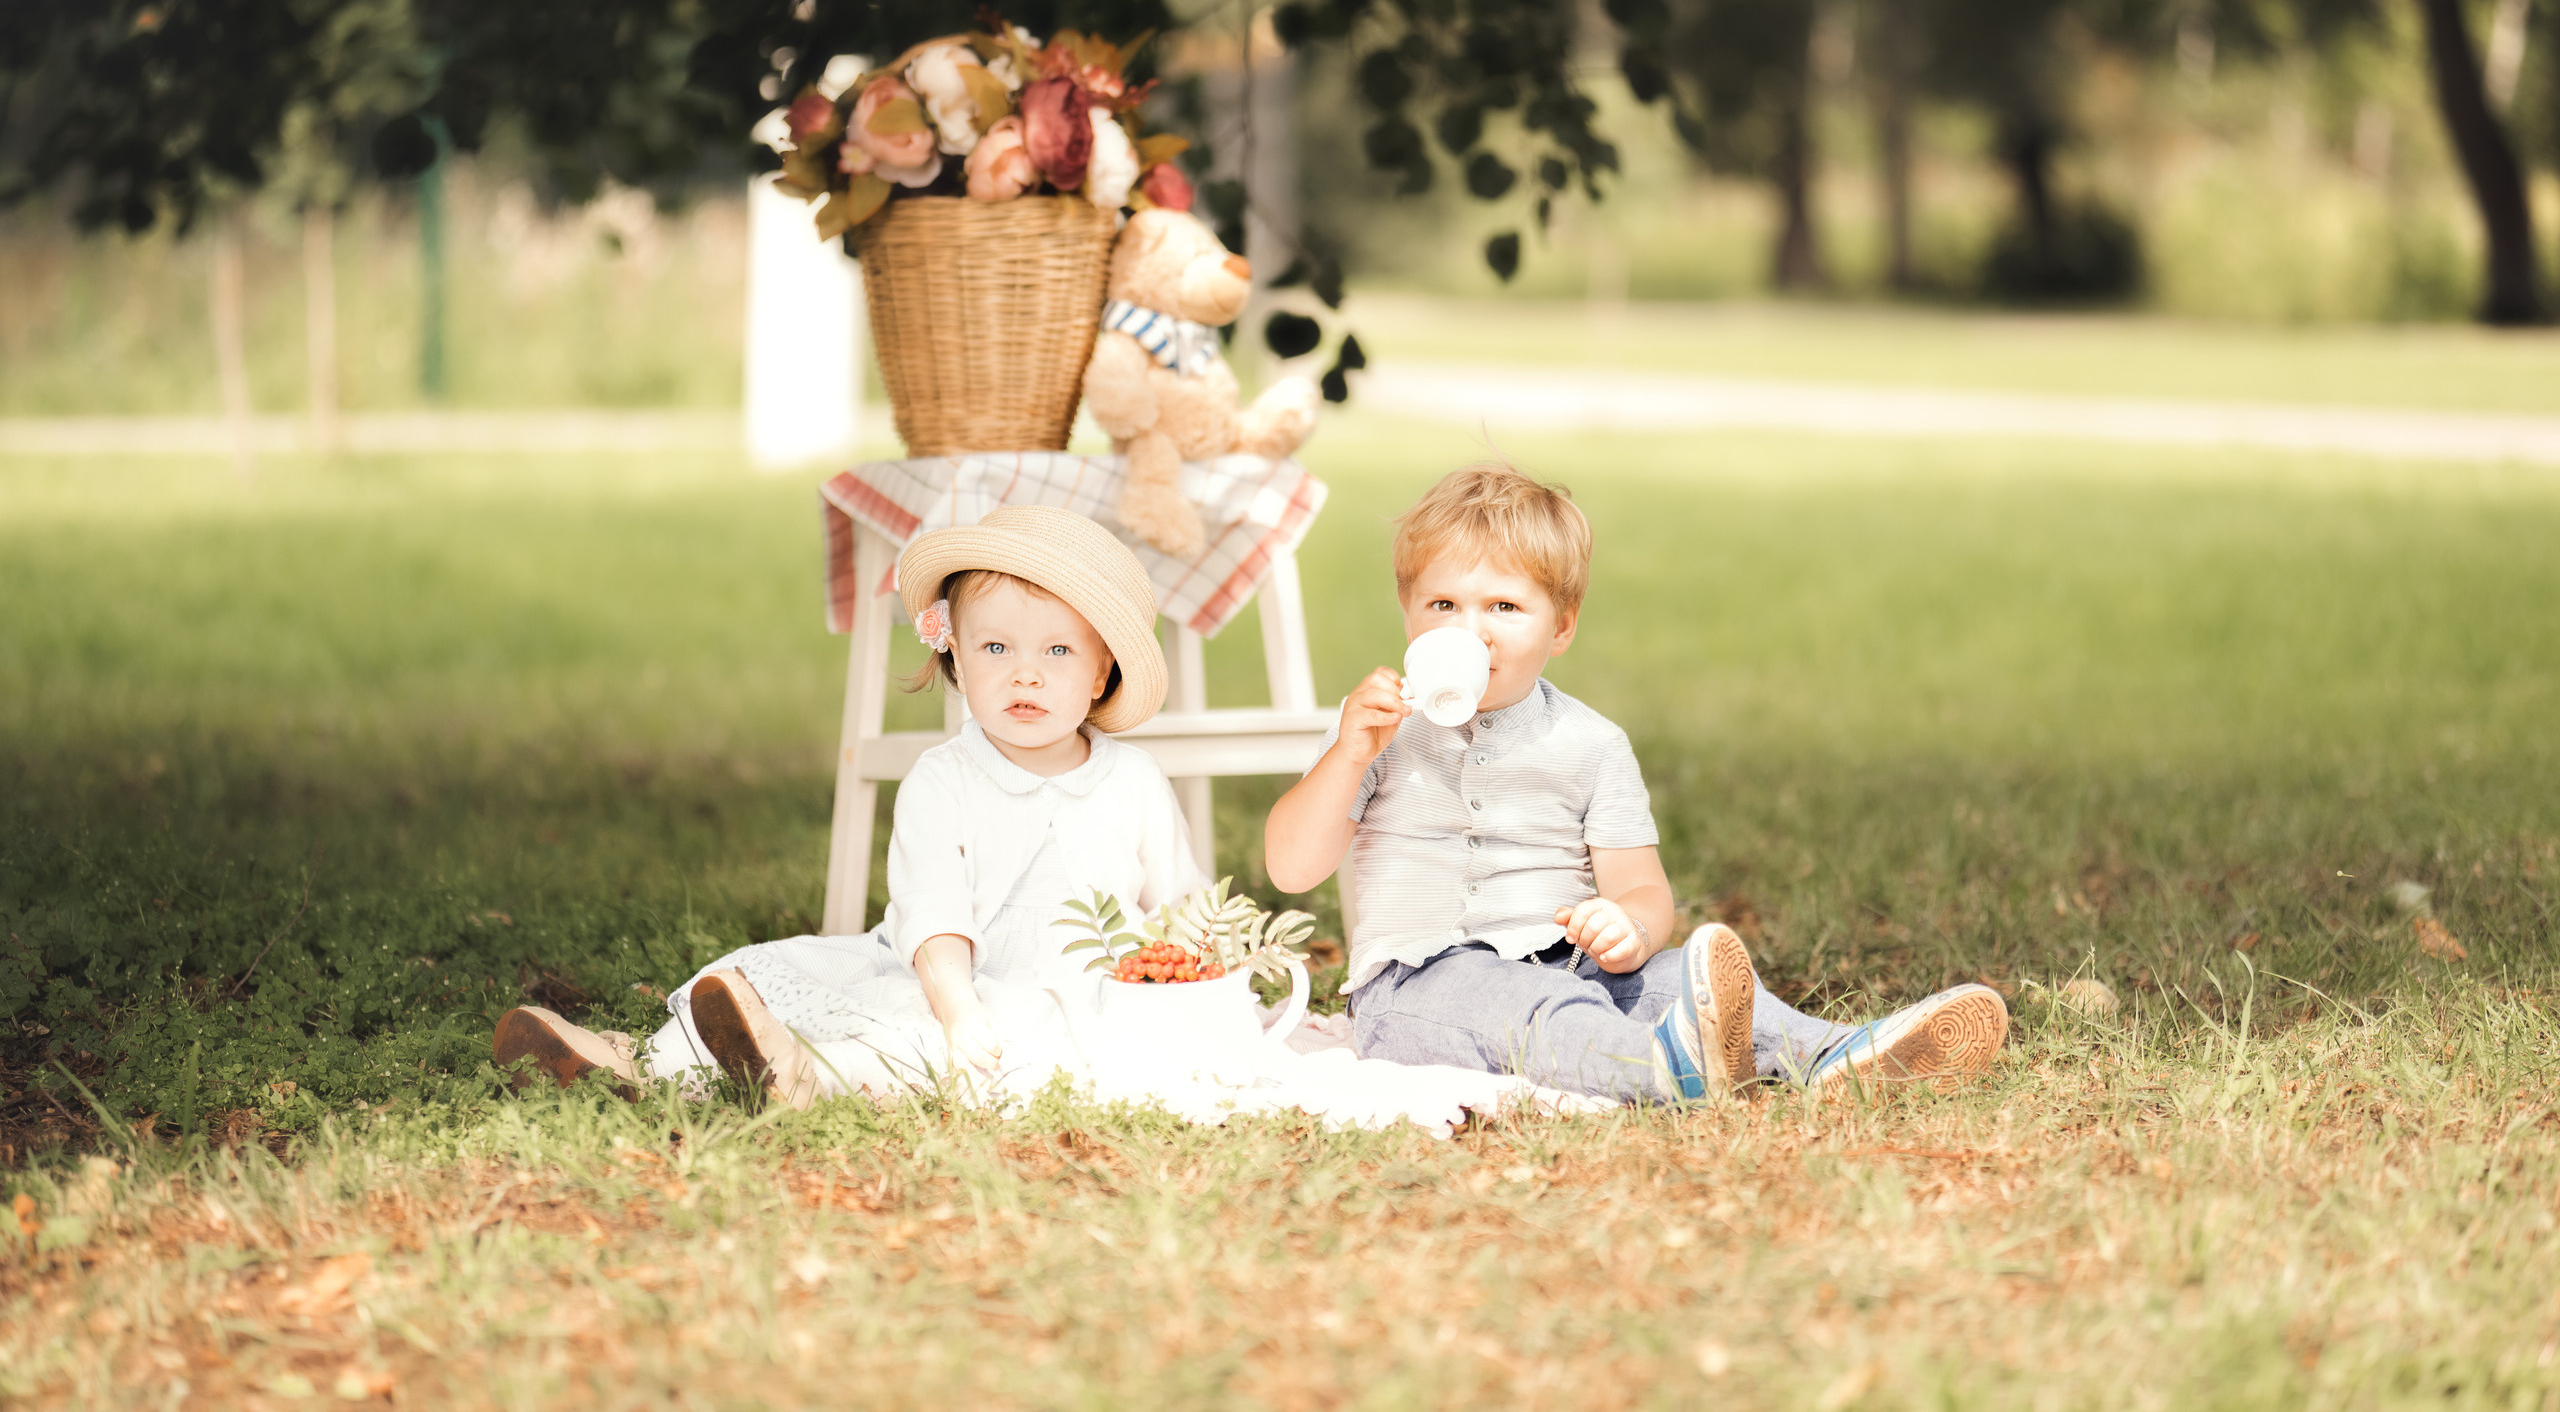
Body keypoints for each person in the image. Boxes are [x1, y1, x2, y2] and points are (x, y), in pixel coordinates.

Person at [1264, 464, 2008, 1105]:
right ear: (1408, 614)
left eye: (1504, 607)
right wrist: (1347, 753)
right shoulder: (1377, 728)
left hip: (1572, 962)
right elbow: (1291, 866)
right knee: (1535, 1008)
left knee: (1666, 978)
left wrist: (1631, 931)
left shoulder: (1591, 743)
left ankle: (1841, 1053)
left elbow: (1644, 891)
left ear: (1562, 627)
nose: (1473, 630)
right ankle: (1662, 1069)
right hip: (1419, 986)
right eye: (1443, 605)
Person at [493, 505, 1206, 1107]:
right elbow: (933, 910)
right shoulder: (945, 777)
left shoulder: (1132, 781)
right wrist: (957, 1004)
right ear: (955, 652)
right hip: (948, 975)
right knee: (796, 984)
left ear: (1102, 669)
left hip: (1078, 992)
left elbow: (1180, 904)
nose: (1025, 671)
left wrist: (1206, 977)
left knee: (923, 1051)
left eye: (1057, 649)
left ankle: (802, 1077)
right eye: (996, 645)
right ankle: (631, 1058)